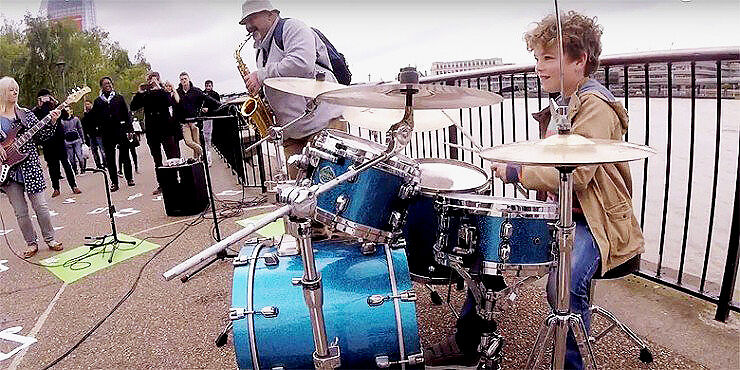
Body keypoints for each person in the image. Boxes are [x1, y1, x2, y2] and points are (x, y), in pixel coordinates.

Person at [239, 0, 346, 179]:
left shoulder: (293, 27)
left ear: (270, 14)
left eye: (252, 17)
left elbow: (302, 63)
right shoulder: (260, 51)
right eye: (245, 22)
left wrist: (260, 75)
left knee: (327, 192)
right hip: (292, 134)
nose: (249, 26)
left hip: (321, 126)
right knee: (297, 199)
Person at [0, 76, 64, 258]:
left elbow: (42, 136)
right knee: (20, 212)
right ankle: (31, 243)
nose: (15, 92)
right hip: (9, 172)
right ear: (3, 92)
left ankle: (50, 238)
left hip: (30, 166)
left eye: (16, 89)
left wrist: (52, 121)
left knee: (41, 206)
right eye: (10, 89)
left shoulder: (26, 114)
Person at [131, 71, 181, 195]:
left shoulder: (163, 91)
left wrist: (158, 87)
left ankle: (174, 181)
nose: (152, 82)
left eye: (155, 79)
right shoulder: (145, 94)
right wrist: (139, 92)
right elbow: (133, 107)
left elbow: (169, 102)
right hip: (152, 129)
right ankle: (162, 184)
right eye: (150, 79)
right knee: (157, 158)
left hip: (165, 127)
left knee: (171, 155)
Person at [87, 76, 135, 192]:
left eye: (109, 83)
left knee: (125, 155)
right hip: (106, 132)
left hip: (120, 129)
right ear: (101, 87)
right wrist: (89, 115)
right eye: (105, 84)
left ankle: (129, 178)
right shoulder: (98, 101)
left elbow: (126, 114)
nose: (108, 85)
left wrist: (130, 129)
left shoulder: (119, 98)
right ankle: (114, 182)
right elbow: (94, 118)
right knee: (110, 158)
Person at [33, 89, 80, 197]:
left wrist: (57, 103)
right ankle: (56, 188)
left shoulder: (54, 106)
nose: (45, 100)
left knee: (66, 164)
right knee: (52, 166)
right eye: (43, 98)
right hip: (47, 142)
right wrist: (39, 106)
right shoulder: (37, 110)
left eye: (47, 97)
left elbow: (65, 116)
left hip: (59, 140)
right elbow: (35, 121)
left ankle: (74, 185)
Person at [175, 72, 221, 160]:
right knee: (188, 141)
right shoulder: (178, 92)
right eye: (182, 79)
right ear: (180, 81)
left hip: (194, 120)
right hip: (184, 122)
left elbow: (207, 98)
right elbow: (175, 105)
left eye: (185, 79)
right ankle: (204, 153)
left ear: (189, 79)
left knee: (196, 141)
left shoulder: (195, 91)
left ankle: (197, 161)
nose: (184, 81)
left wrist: (219, 104)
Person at [81, 99, 106, 169]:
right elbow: (85, 125)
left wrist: (99, 128)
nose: (87, 106)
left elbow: (100, 121)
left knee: (102, 150)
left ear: (91, 104)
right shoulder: (85, 115)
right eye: (85, 105)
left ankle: (105, 163)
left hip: (98, 134)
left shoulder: (96, 112)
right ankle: (98, 165)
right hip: (91, 135)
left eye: (88, 104)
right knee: (94, 151)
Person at [60, 107, 86, 174]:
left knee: (79, 156)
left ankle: (82, 169)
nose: (67, 111)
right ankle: (75, 170)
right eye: (66, 110)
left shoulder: (76, 119)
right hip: (68, 142)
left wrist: (83, 139)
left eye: (68, 110)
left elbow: (80, 129)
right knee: (71, 159)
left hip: (76, 140)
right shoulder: (62, 121)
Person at [202, 79, 220, 166]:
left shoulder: (215, 94)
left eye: (209, 86)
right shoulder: (202, 94)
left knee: (210, 136)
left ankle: (208, 156)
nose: (208, 87)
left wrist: (209, 109)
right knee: (206, 137)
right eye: (207, 86)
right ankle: (208, 157)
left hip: (213, 117)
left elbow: (218, 106)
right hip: (205, 118)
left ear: (212, 86)